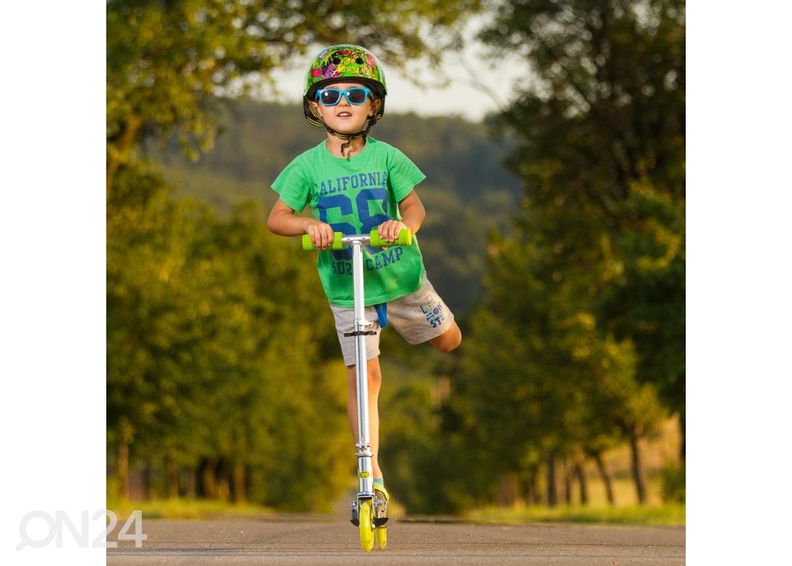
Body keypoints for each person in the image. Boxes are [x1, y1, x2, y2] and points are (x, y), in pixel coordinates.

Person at [266, 44, 462, 521]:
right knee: (364, 378)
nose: (344, 103)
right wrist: (308, 226)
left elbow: (415, 206)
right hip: (346, 284)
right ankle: (370, 474)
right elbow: (277, 218)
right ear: (315, 107)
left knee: (448, 342)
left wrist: (405, 227)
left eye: (355, 93)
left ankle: (433, 322)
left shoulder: (389, 157)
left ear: (374, 104)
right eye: (331, 96)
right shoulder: (307, 167)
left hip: (399, 276)